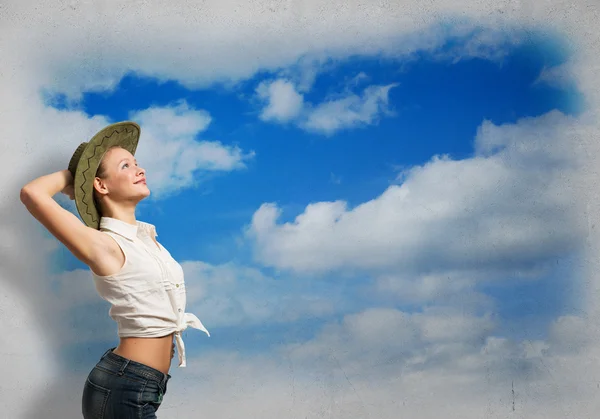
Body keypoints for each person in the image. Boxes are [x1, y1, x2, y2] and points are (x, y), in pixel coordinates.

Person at [20, 121, 210, 419]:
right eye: (126, 166)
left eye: (137, 164)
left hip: (144, 385)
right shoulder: (103, 245)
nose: (140, 169)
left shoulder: (148, 241)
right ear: (101, 185)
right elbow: (32, 193)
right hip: (124, 386)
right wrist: (79, 171)